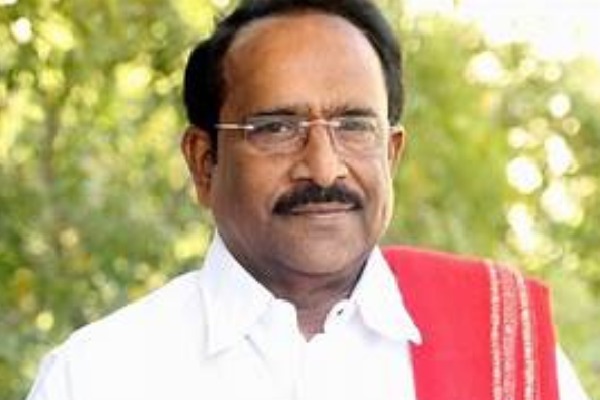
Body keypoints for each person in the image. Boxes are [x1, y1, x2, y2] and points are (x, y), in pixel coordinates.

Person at [26, 0, 590, 399]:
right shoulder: (102, 377)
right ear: (204, 162)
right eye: (276, 128)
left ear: (391, 153)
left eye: (354, 126)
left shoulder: (503, 348)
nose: (323, 166)